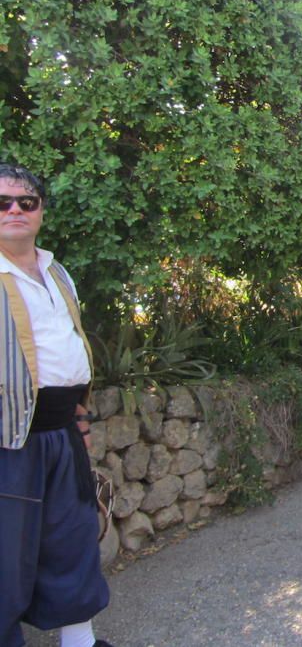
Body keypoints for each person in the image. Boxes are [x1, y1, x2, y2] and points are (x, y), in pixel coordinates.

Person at [0, 164, 112, 647]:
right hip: (10, 437)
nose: (15, 211)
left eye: (27, 202)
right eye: (3, 202)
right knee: (8, 555)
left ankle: (79, 642)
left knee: (72, 538)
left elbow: (67, 347)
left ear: (41, 210)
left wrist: (80, 416)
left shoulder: (56, 270)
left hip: (62, 428)